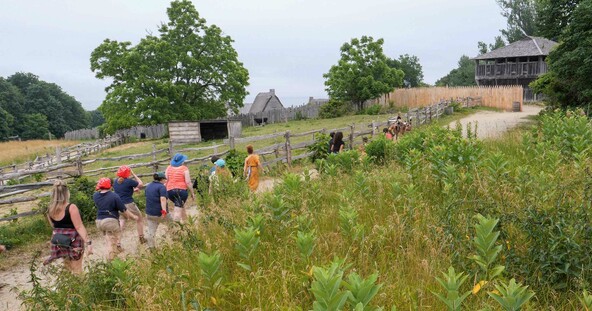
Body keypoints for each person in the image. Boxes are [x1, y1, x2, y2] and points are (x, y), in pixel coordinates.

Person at [43, 180, 92, 274]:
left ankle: (70, 288)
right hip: (74, 241)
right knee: (77, 269)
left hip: (60, 241)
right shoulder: (71, 207)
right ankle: (80, 288)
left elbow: (54, 227)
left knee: (67, 267)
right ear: (66, 193)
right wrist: (88, 242)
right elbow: (79, 227)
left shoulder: (50, 209)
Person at [94, 177, 138, 260]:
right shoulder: (114, 196)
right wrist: (132, 216)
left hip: (99, 221)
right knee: (114, 241)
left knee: (109, 240)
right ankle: (112, 260)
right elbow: (123, 210)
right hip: (110, 221)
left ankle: (113, 255)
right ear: (110, 186)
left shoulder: (95, 195)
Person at [112, 165, 145, 244]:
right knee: (139, 219)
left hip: (119, 205)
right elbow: (141, 184)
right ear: (128, 173)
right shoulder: (129, 181)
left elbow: (123, 191)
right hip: (128, 203)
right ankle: (141, 238)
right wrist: (134, 175)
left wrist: (133, 190)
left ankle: (118, 242)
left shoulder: (115, 181)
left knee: (121, 222)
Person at [166, 153, 195, 223]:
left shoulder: (168, 168)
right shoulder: (184, 169)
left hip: (169, 191)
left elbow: (166, 179)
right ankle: (176, 227)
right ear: (182, 161)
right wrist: (192, 192)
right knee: (177, 210)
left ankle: (186, 223)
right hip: (181, 191)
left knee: (180, 206)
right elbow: (188, 182)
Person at [144, 172, 170, 249]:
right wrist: (164, 211)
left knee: (151, 231)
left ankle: (151, 248)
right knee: (173, 224)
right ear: (161, 179)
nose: (165, 180)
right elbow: (162, 199)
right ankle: (176, 239)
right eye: (165, 179)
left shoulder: (148, 186)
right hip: (159, 212)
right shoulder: (162, 187)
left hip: (149, 213)